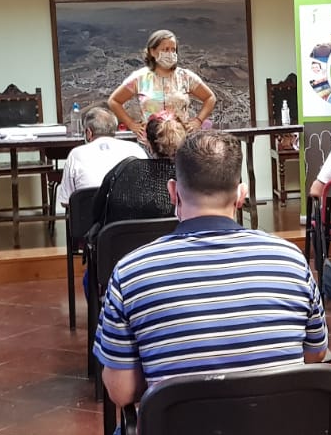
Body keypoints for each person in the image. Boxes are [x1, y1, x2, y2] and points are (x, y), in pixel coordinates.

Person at [94, 130, 328, 435]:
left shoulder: (131, 271)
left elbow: (121, 392)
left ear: (172, 192)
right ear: (242, 193)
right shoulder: (291, 260)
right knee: (290, 413)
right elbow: (312, 361)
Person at [82, 112, 187, 297]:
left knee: (89, 278)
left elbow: (96, 212)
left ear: (147, 142)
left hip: (123, 266)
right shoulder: (192, 177)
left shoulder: (123, 170)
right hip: (179, 266)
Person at [108, 30, 217, 139]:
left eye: (173, 49)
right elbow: (114, 101)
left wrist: (198, 121)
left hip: (181, 140)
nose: (170, 53)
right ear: (152, 51)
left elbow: (210, 98)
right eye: (165, 49)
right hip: (150, 141)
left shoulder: (186, 77)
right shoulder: (139, 78)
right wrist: (131, 124)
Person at [56, 106, 147, 209]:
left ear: (89, 132)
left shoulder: (76, 154)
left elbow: (66, 201)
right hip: (131, 216)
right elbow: (148, 190)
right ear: (115, 130)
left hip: (90, 217)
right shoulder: (136, 149)